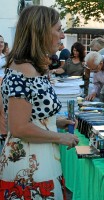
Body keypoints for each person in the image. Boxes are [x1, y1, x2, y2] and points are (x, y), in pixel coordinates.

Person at [0, 5, 79, 199]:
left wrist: (55, 122)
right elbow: (19, 128)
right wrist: (61, 137)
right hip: (28, 172)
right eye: (59, 29)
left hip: (40, 164)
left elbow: (32, 115)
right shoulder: (23, 70)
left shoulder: (31, 67)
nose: (62, 36)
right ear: (41, 31)